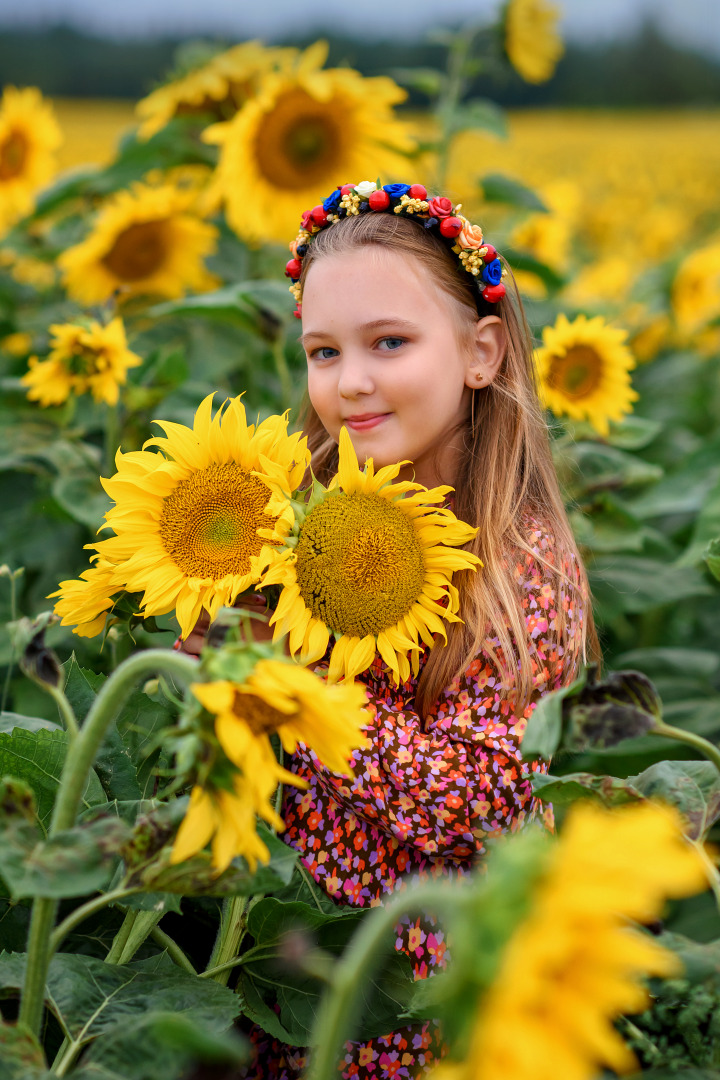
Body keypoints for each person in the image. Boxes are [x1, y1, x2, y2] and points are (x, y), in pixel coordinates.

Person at [183, 181, 597, 1078]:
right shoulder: (300, 521)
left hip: (420, 1005)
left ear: (481, 352)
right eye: (323, 351)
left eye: (390, 343)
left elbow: (477, 793)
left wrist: (289, 691)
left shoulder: (518, 565)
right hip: (279, 968)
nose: (351, 380)